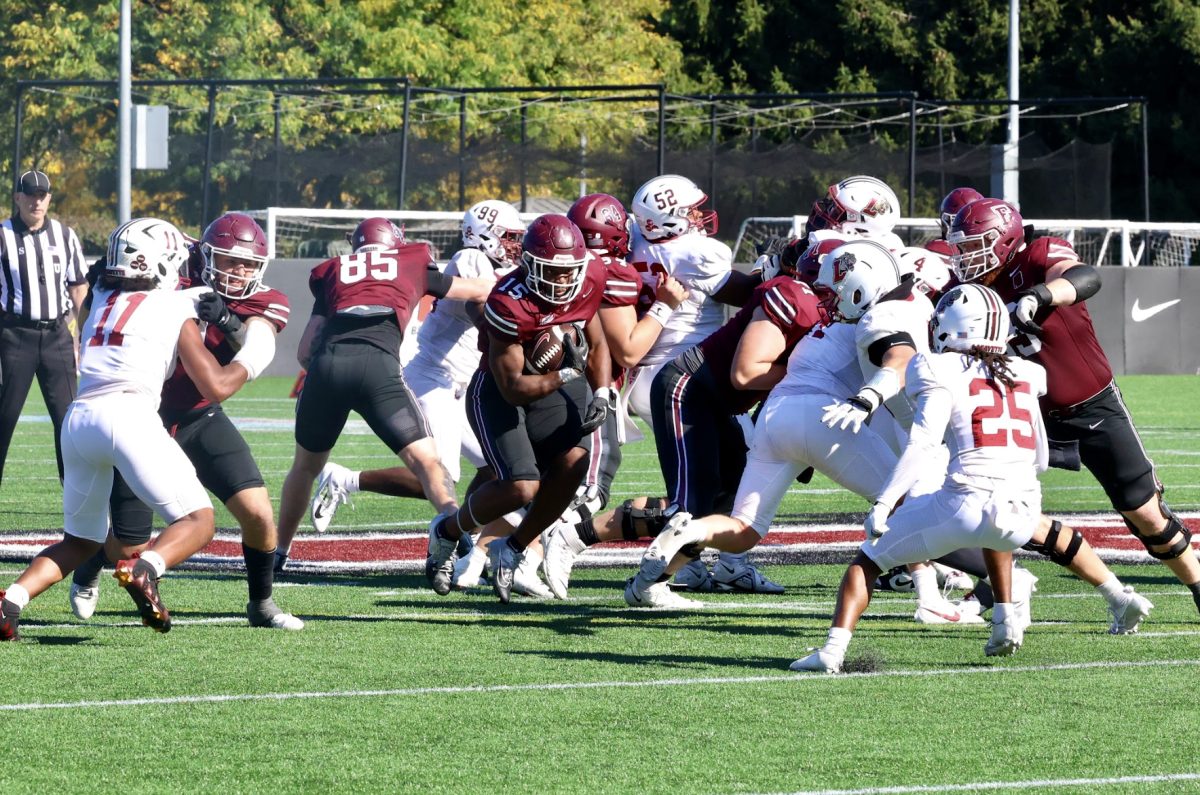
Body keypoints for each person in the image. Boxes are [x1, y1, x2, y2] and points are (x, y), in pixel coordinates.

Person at [790, 284, 1153, 672]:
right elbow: (1040, 457)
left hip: (962, 503)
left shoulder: (934, 366)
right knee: (1004, 529)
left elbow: (923, 444)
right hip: (1019, 507)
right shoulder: (1029, 373)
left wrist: (883, 503)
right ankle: (1007, 619)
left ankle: (831, 651)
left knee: (867, 561)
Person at [1, 218, 255, 640]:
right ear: (161, 260)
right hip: (130, 416)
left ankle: (11, 600)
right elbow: (227, 364)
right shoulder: (180, 303)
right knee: (198, 521)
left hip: (79, 420)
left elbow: (97, 294)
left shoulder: (97, 295)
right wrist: (234, 334)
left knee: (81, 541)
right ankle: (145, 568)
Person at [948, 197, 1200, 614]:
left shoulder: (1038, 254)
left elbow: (1084, 276)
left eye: (974, 245)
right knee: (992, 499)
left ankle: (1196, 581)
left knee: (1145, 514)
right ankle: (1001, 593)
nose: (965, 256)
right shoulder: (970, 292)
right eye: (962, 247)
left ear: (1003, 238)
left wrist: (1040, 295)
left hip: (1091, 405)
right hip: (1026, 415)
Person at [66, 212, 302, 630]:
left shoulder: (264, 300)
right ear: (206, 254)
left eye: (248, 264)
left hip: (197, 413)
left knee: (258, 512)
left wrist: (227, 320)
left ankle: (261, 603)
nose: (240, 271)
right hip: (141, 415)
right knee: (129, 545)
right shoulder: (172, 264)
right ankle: (90, 563)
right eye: (230, 261)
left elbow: (257, 340)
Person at [274, 218, 494, 567]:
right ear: (396, 241)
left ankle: (279, 552)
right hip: (380, 369)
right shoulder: (409, 259)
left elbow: (305, 350)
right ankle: (458, 536)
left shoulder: (333, 270)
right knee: (428, 463)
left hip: (327, 369)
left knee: (304, 468)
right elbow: (478, 292)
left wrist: (323, 379)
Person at [621, 236, 825, 607]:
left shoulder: (816, 306)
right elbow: (746, 375)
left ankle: (699, 571)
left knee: (733, 488)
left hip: (719, 402)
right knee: (691, 501)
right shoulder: (789, 293)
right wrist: (807, 373)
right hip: (687, 391)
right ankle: (628, 572)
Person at [306, 201, 526, 535]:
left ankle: (466, 536)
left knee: (500, 470)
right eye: (508, 237)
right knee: (442, 475)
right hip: (434, 377)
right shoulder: (472, 258)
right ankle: (345, 479)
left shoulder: (499, 269)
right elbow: (481, 315)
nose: (515, 245)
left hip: (462, 386)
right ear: (481, 235)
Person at [423, 214, 613, 603]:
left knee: (575, 462)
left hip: (559, 378)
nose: (563, 281)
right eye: (552, 271)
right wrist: (569, 374)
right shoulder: (508, 303)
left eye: (569, 271)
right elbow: (512, 389)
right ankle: (446, 532)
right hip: (500, 389)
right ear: (529, 265)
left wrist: (602, 392)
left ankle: (515, 547)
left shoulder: (589, 276)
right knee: (521, 485)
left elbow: (597, 340)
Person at [623, 174, 759, 590]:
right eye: (690, 211)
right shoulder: (695, 252)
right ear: (666, 221)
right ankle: (666, 564)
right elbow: (746, 294)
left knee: (724, 471)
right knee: (712, 479)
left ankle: (704, 559)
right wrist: (775, 272)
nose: (699, 216)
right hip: (683, 379)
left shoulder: (635, 239)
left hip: (653, 376)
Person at [0, 170, 87, 485]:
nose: (37, 201)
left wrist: (87, 337)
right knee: (4, 417)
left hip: (57, 337)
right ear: (18, 197)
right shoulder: (3, 234)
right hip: (14, 336)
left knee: (69, 422)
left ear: (49, 198)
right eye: (31, 194)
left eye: (43, 195)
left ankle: (75, 498)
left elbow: (78, 288)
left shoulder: (65, 235)